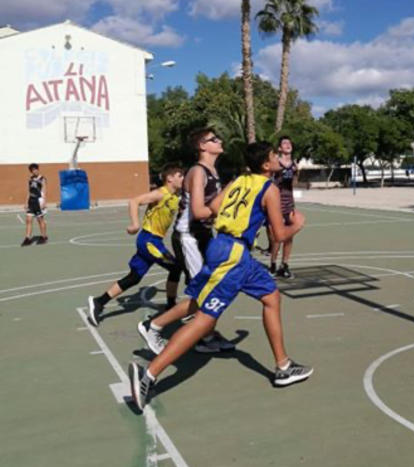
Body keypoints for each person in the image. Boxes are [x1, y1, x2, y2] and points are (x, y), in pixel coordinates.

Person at [129, 141, 312, 411]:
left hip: (226, 248)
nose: (278, 159)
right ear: (266, 164)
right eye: (274, 156)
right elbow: (279, 236)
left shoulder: (237, 181)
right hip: (233, 257)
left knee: (272, 297)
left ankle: (283, 366)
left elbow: (211, 209)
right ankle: (149, 374)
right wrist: (297, 225)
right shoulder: (269, 189)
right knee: (204, 319)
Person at [139, 129, 234, 354]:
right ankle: (153, 327)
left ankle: (207, 333)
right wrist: (229, 190)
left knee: (213, 285)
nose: (219, 141)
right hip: (188, 236)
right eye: (213, 139)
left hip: (203, 235)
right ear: (202, 146)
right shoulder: (197, 172)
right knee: (203, 290)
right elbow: (201, 212)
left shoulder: (213, 171)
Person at [86, 164, 184, 326]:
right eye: (180, 175)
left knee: (134, 277)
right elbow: (134, 201)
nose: (183, 179)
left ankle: (99, 302)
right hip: (149, 240)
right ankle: (171, 305)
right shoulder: (160, 193)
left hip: (154, 240)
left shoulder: (175, 197)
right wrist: (135, 224)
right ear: (170, 178)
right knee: (175, 267)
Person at [269, 136, 298, 279]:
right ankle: (273, 263)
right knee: (277, 237)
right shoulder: (275, 162)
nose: (288, 144)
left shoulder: (294, 164)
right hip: (276, 203)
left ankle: (285, 264)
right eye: (284, 143)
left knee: (289, 236)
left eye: (289, 142)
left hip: (289, 203)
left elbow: (295, 183)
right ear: (280, 148)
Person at [21, 163, 48, 246]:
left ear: (38, 169)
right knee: (28, 220)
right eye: (32, 170)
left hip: (38, 201)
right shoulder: (30, 179)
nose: (34, 171)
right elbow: (29, 191)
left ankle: (43, 237)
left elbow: (44, 190)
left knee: (40, 220)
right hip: (31, 202)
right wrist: (26, 202)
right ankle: (27, 238)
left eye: (35, 169)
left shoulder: (42, 178)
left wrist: (44, 201)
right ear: (31, 171)